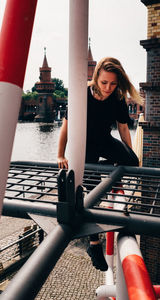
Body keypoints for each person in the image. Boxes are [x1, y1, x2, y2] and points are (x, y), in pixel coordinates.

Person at [57, 57, 144, 271]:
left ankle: (109, 175)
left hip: (105, 142)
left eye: (113, 83)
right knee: (93, 195)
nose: (108, 88)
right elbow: (66, 127)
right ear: (96, 77)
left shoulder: (117, 97)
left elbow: (123, 129)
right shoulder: (81, 94)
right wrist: (60, 154)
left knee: (133, 160)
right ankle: (94, 244)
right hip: (84, 147)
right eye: (104, 82)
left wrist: (126, 158)